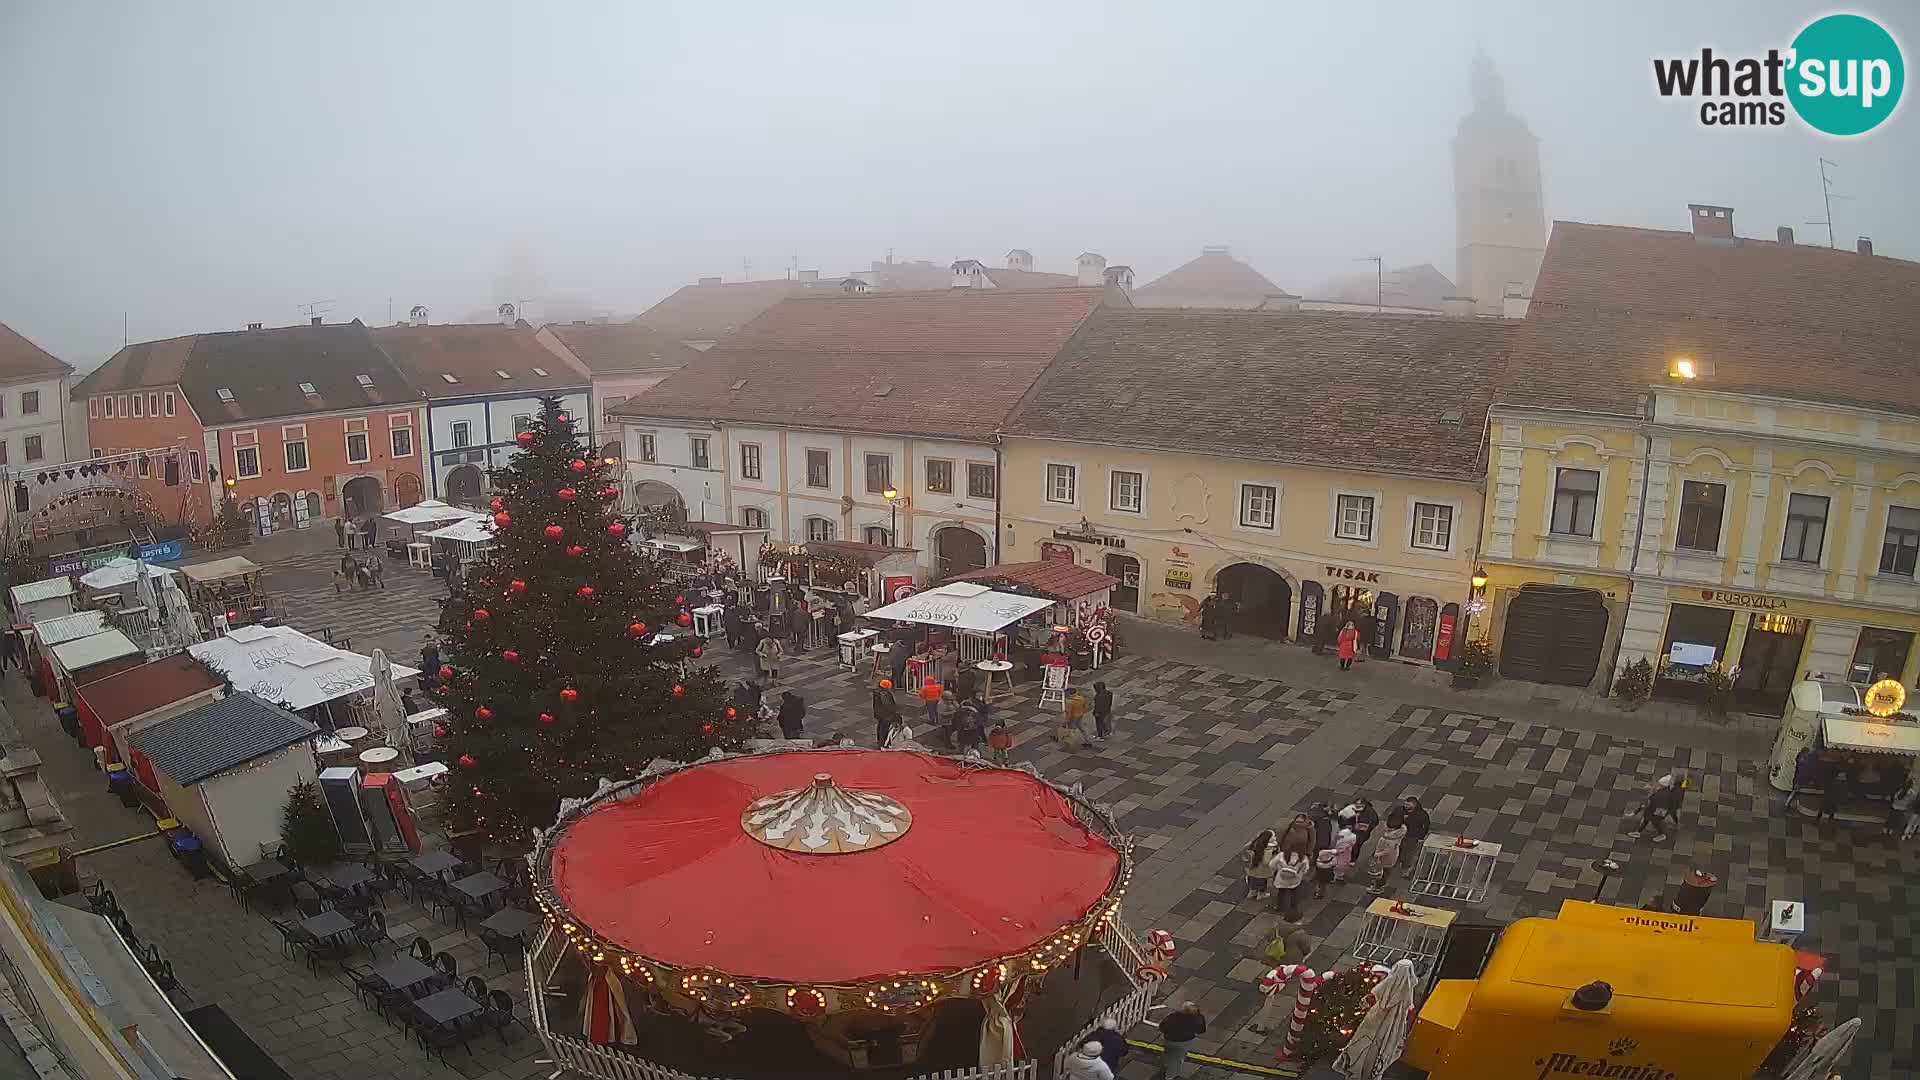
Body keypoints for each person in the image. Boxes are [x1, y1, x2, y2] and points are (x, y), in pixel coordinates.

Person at [1158, 1001, 1207, 1079]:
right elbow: (1201, 1031)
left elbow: (1162, 1027)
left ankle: (1169, 1075)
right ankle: (1172, 1074)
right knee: (1178, 1057)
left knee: (1170, 1055)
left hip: (1170, 1040)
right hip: (1186, 1041)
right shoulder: (1199, 1018)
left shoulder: (1173, 1017)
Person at [1368, 808, 1409, 895]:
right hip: (1391, 854)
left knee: (1386, 872)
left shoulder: (1390, 840)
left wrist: (1377, 854)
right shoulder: (1401, 830)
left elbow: (1388, 851)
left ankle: (1378, 887)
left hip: (1388, 857)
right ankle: (1380, 878)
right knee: (1385, 869)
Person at [1244, 829, 1277, 900]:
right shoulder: (1268, 849)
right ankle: (1261, 894)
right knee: (1262, 883)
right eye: (1273, 836)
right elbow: (1266, 862)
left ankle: (1252, 892)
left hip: (1251, 869)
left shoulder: (1254, 844)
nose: (1275, 838)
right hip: (1262, 871)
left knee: (1252, 881)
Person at [1400, 796, 1431, 869]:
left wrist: (1421, 836)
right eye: (1405, 804)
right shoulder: (1402, 810)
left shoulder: (1421, 814)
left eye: (1408, 805)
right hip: (1402, 833)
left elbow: (1425, 826)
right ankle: (1401, 860)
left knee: (1409, 850)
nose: (1406, 806)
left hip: (1413, 836)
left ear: (1414, 805)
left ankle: (1406, 864)